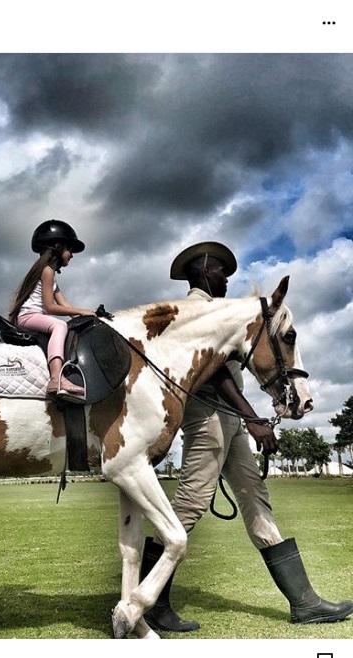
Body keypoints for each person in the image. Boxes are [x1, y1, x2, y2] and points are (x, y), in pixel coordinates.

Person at [141, 241, 353, 632]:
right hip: (206, 417)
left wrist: (248, 418)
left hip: (230, 420)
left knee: (256, 500)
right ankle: (150, 600)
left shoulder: (220, 312)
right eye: (222, 271)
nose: (227, 278)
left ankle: (305, 603)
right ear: (204, 270)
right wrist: (253, 417)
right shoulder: (195, 310)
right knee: (190, 504)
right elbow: (218, 373)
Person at [9, 220, 96, 401]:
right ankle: (57, 378)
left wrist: (92, 315)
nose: (71, 255)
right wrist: (82, 311)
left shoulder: (51, 276)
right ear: (57, 247)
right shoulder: (47, 271)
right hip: (28, 316)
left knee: (66, 325)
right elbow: (50, 306)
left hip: (33, 316)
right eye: (69, 249)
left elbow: (68, 308)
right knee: (59, 326)